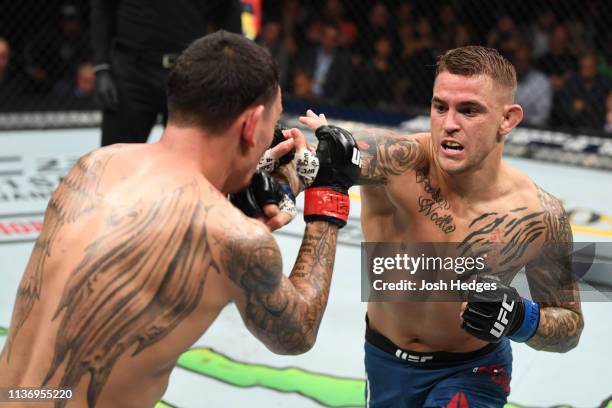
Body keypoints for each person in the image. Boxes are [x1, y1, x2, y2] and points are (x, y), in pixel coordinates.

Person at [0, 31, 361, 408]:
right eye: (273, 121)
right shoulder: (234, 238)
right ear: (252, 124)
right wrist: (329, 195)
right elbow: (297, 333)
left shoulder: (95, 165)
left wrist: (254, 182)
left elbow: (170, 229)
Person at [298, 46, 583, 407]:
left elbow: (569, 327)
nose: (449, 123)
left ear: (508, 119)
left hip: (474, 371)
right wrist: (287, 166)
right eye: (439, 106)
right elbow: (318, 163)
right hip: (385, 360)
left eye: (469, 110)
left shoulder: (539, 216)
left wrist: (519, 319)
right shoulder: (397, 160)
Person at [91, 0, 242, 147]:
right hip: (133, 70)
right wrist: (101, 67)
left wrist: (231, 70)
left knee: (186, 160)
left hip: (190, 71)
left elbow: (228, 12)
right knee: (117, 158)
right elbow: (103, 7)